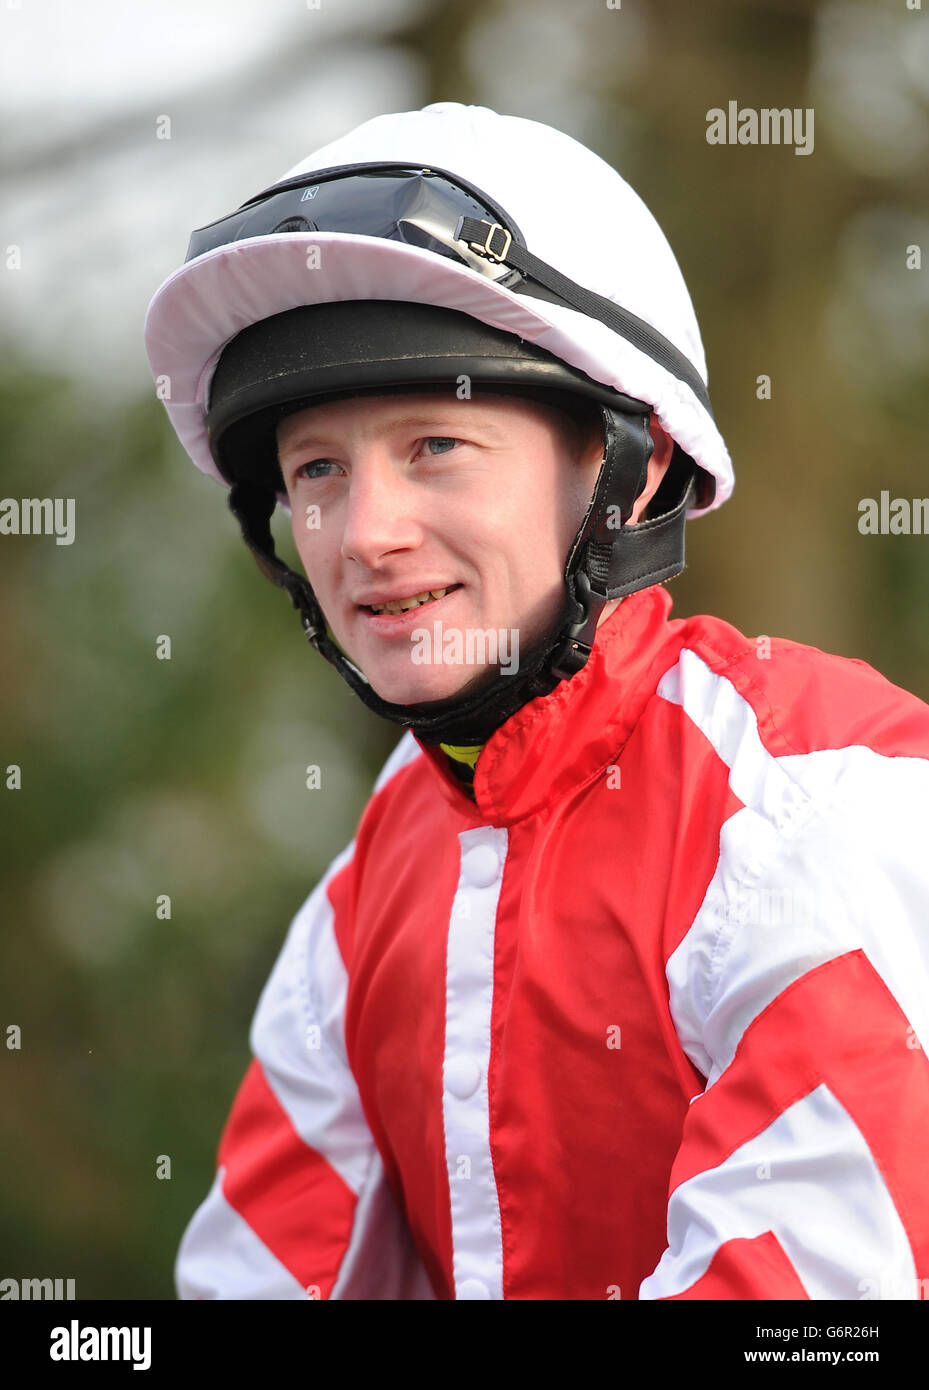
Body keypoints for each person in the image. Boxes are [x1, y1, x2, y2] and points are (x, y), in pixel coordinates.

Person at [145, 102, 929, 1301]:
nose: (367, 536)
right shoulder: (367, 888)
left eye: (434, 446)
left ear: (633, 464)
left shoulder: (821, 798)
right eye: (317, 470)